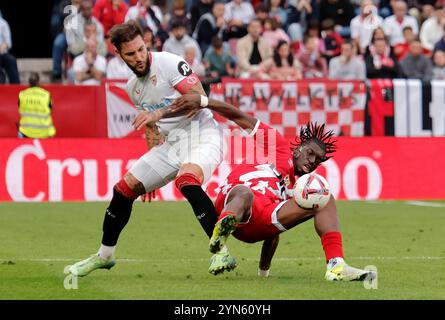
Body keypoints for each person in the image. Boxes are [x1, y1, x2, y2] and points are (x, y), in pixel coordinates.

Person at [68, 22, 233, 277]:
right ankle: (105, 255)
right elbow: (152, 128)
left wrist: (160, 112)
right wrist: (151, 174)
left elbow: (199, 98)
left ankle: (221, 251)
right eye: (131, 54)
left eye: (141, 50)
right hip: (172, 144)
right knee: (124, 188)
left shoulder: (169, 63)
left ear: (147, 45)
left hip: (203, 134)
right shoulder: (132, 87)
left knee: (186, 180)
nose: (139, 57)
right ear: (119, 54)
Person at [171, 94, 376, 281]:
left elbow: (273, 232)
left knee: (323, 197)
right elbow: (238, 116)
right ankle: (222, 230)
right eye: (310, 154)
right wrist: (204, 101)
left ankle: (336, 266)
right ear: (298, 149)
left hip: (261, 222)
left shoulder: (298, 189)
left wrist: (264, 271)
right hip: (236, 203)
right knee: (245, 193)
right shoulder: (277, 145)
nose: (313, 161)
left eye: (318, 160)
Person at [18, 73, 56, 139]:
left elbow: (20, 108)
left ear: (29, 83)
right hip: (45, 133)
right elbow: (50, 109)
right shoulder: (46, 95)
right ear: (39, 82)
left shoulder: (22, 95)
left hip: (25, 132)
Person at [0, 15, 20, 84]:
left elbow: (8, 42)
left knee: (11, 60)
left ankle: (15, 87)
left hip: (2, 53)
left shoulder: (3, 23)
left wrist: (2, 48)